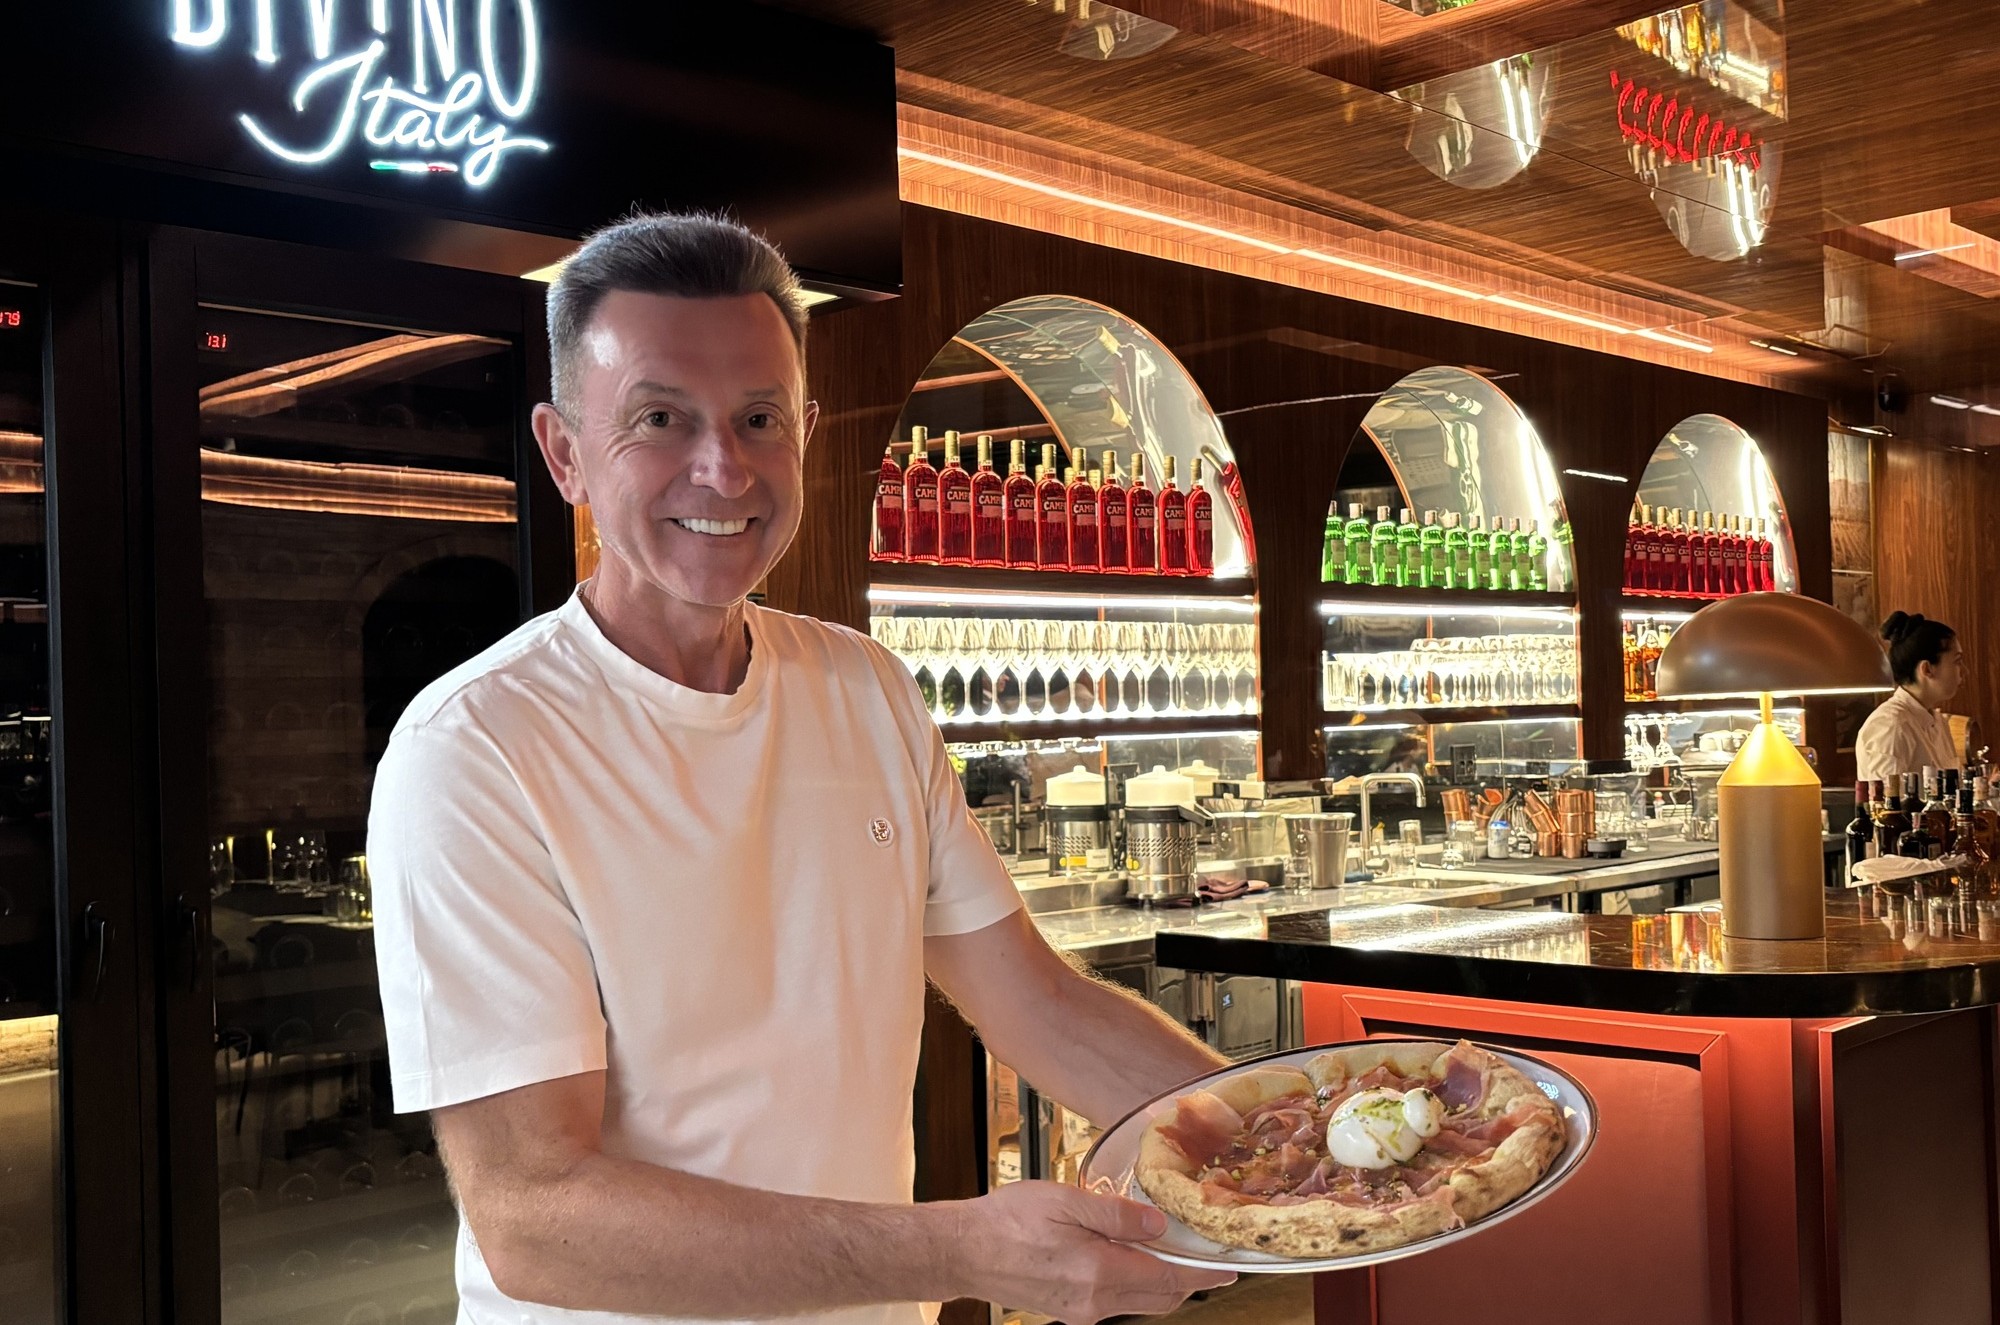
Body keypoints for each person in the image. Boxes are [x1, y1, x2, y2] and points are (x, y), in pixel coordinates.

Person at [365, 212, 1235, 1325]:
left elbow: (1037, 1003)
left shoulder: (866, 689)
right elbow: (534, 1214)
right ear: (564, 451)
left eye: (759, 417)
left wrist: (1288, 1132)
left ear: (806, 433)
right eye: (660, 418)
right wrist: (959, 1248)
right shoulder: (477, 746)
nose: (722, 467)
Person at [1854, 611, 1965, 785]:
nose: (1964, 671)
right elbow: (1887, 799)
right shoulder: (1891, 726)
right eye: (1957, 661)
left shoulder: (1938, 721)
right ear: (1927, 669)